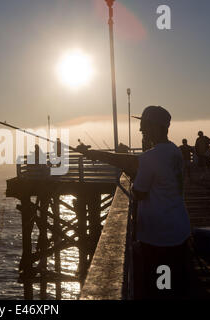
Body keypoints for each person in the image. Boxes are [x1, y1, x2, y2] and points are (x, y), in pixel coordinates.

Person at [81, 106, 191, 299]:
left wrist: (133, 176)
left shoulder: (151, 157)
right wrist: (96, 154)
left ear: (155, 127)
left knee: (160, 289)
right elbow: (137, 164)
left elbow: (139, 193)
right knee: (173, 286)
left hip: (159, 237)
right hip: (179, 230)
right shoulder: (174, 151)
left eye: (144, 126)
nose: (141, 130)